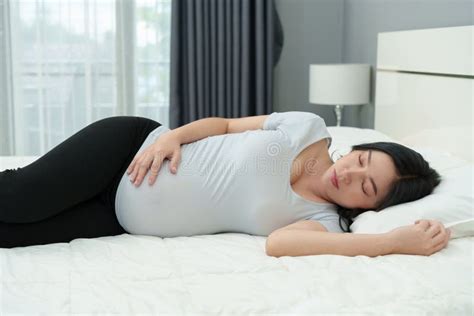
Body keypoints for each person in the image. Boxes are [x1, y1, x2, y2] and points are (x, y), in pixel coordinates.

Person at [0, 112, 451, 256]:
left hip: (115, 217)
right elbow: (228, 124)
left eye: (366, 187)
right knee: (18, 198)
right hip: (132, 150)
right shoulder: (310, 128)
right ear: (360, 146)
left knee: (11, 235)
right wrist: (174, 136)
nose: (350, 172)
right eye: (363, 158)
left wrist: (391, 242)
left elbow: (277, 245)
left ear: (369, 208)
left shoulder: (322, 223)